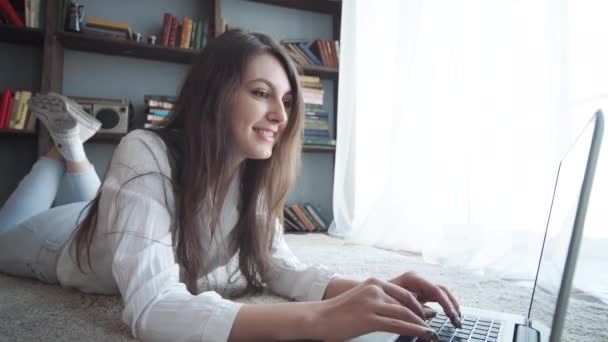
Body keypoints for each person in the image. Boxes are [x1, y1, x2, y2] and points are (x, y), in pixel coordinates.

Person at [0, 29, 461, 342]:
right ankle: (63, 150)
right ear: (213, 94)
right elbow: (151, 308)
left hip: (107, 221)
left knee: (106, 206)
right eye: (261, 93)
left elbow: (278, 267)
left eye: (285, 100)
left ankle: (71, 148)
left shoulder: (251, 172)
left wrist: (369, 287)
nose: (281, 116)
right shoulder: (146, 149)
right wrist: (318, 319)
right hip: (56, 243)